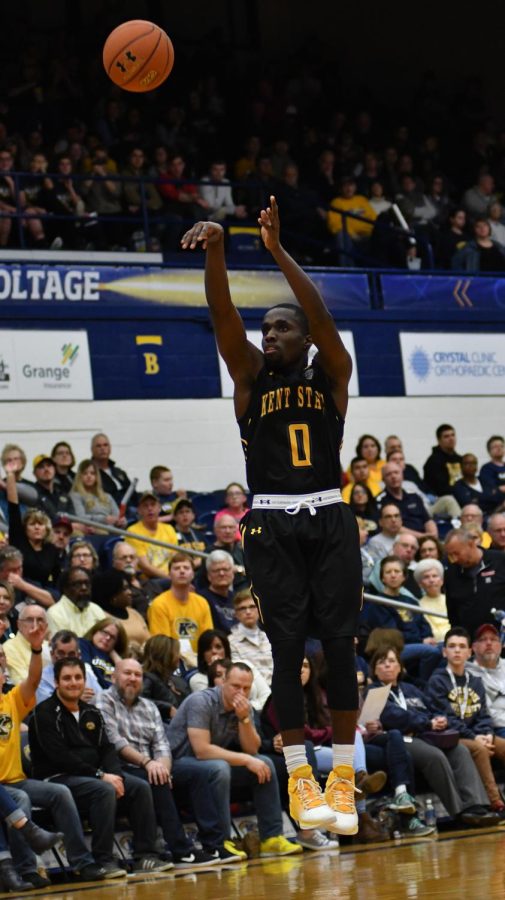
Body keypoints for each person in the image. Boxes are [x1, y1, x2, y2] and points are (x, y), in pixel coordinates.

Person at [181, 196, 363, 836]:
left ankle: (341, 777)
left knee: (339, 652)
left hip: (330, 519)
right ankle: (298, 776)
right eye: (269, 328)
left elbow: (320, 315)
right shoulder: (251, 380)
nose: (271, 333)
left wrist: (280, 252)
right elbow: (223, 314)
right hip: (272, 523)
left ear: (306, 336)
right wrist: (219, 250)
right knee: (286, 653)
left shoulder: (332, 374)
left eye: (283, 327)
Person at [29, 657, 173, 876]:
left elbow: (107, 749)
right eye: (66, 678)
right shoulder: (44, 713)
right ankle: (103, 859)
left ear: (85, 681)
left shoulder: (91, 712)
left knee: (139, 787)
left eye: (78, 677)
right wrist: (101, 775)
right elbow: (60, 757)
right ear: (57, 682)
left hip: (93, 776)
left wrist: (115, 775)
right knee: (103, 790)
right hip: (58, 778)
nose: (73, 682)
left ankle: (146, 856)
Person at [0, 613, 108, 886]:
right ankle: (27, 871)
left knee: (60, 793)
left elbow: (34, 681)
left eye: (1, 669)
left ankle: (82, 863)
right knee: (21, 802)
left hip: (17, 780)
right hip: (5, 789)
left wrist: (37, 649)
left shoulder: (11, 700)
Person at [168, 662, 303, 858]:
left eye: (246, 688)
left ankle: (272, 839)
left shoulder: (244, 707)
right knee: (221, 767)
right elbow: (202, 750)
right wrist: (246, 760)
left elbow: (251, 748)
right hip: (179, 762)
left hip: (210, 763)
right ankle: (223, 842)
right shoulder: (201, 702)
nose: (241, 692)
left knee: (264, 763)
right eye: (235, 686)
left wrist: (244, 719)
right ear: (223, 682)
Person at [96, 658, 220, 868]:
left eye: (138, 675)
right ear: (114, 677)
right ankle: (181, 850)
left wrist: (163, 767)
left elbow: (162, 744)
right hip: (122, 767)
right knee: (155, 780)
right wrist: (148, 763)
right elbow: (115, 742)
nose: (133, 679)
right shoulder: (103, 700)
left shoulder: (149, 706)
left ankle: (213, 844)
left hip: (153, 765)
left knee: (198, 773)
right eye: (127, 673)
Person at [368, 645, 499, 829]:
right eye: (382, 662)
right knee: (434, 756)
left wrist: (438, 719)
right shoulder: (373, 691)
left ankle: (477, 805)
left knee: (460, 749)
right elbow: (393, 716)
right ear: (375, 669)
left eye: (392, 661)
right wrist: (427, 723)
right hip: (397, 739)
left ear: (400, 667)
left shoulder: (411, 689)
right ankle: (459, 812)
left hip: (426, 734)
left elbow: (432, 708)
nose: (388, 665)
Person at [426, 627, 505, 814]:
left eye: (462, 646)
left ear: (469, 652)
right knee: (479, 749)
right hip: (453, 736)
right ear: (444, 651)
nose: (457, 650)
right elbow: (447, 718)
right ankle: (495, 801)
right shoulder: (437, 681)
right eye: (452, 646)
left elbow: (484, 714)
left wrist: (485, 733)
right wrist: (474, 737)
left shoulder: (475, 681)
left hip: (477, 734)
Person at [147, 553, 213, 664]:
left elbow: (208, 639)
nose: (182, 571)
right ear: (169, 574)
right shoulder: (159, 604)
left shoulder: (202, 602)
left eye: (186, 568)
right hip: (171, 662)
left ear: (193, 574)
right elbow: (162, 646)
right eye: (176, 568)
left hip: (199, 661)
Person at [5, 466, 61, 589]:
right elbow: (13, 507)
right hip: (17, 591)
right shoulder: (19, 541)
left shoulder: (52, 550)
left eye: (40, 524)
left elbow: (57, 580)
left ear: (46, 529)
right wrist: (10, 475)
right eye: (32, 524)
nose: (37, 527)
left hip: (41, 593)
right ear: (25, 528)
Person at [189, 628, 270, 711]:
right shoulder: (197, 679)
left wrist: (248, 707)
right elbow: (216, 706)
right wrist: (214, 671)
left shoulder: (244, 665)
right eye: (208, 649)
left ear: (226, 650)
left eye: (218, 647)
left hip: (260, 714)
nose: (214, 651)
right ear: (202, 654)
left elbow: (267, 695)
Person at [444, 529, 505, 637]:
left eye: (456, 553)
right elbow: (453, 614)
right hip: (471, 640)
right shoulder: (451, 573)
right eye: (450, 555)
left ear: (471, 544)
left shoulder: (500, 561)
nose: (454, 559)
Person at [37, 628, 103, 704]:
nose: (66, 659)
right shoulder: (42, 679)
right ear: (52, 654)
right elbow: (46, 711)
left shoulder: (86, 674)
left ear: (78, 656)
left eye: (71, 654)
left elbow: (102, 699)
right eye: (61, 653)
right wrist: (74, 700)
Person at [375, 463, 437, 539]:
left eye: (396, 473)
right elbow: (393, 527)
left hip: (424, 539)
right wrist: (423, 537)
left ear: (402, 475)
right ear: (383, 480)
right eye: (389, 474)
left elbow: (427, 520)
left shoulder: (414, 496)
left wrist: (433, 535)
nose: (393, 476)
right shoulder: (381, 500)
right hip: (400, 540)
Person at [126, 491, 178, 580]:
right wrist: (171, 579)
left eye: (153, 505)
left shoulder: (169, 529)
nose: (150, 508)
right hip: (150, 580)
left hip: (171, 576)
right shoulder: (133, 532)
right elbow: (145, 567)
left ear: (159, 508)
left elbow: (176, 559)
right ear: (139, 510)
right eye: (145, 506)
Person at [91, 570, 150, 647]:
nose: (130, 592)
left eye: (129, 588)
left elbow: (149, 640)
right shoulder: (101, 616)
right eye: (125, 589)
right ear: (113, 594)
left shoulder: (134, 613)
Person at [228, 589, 274, 685]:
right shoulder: (230, 642)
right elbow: (240, 675)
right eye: (242, 608)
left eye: (252, 607)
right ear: (236, 614)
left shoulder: (269, 637)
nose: (248, 612)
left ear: (259, 609)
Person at [467, 624, 505, 738]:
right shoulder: (468, 675)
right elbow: (488, 714)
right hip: (498, 728)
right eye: (483, 640)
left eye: (493, 639)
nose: (489, 643)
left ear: (501, 645)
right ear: (474, 647)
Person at [141, 634, 190, 720]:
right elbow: (139, 701)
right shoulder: (147, 678)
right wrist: (166, 709)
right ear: (164, 655)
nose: (179, 656)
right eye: (176, 652)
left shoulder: (179, 681)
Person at [46, 567, 104, 638]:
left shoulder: (96, 610)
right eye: (78, 584)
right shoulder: (55, 613)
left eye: (87, 583)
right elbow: (61, 646)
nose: (84, 588)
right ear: (65, 589)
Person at [70, 460, 126, 530]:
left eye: (92, 473)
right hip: (93, 533)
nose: (89, 476)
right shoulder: (75, 495)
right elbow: (80, 518)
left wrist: (121, 522)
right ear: (80, 476)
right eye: (85, 473)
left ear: (97, 477)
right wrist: (103, 519)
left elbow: (118, 516)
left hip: (113, 532)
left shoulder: (107, 496)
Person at [423, 425, 462, 512]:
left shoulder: (460, 459)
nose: (451, 438)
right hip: (442, 501)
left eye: (453, 435)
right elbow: (441, 489)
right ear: (439, 440)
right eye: (446, 436)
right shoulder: (433, 462)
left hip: (461, 496)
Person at [79, 617, 127, 688]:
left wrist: (114, 655)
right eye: (105, 633)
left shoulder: (115, 659)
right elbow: (86, 673)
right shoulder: (83, 644)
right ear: (95, 631)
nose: (107, 638)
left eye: (112, 637)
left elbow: (126, 678)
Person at [90, 434, 134, 507]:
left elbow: (132, 493)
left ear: (110, 448)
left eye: (105, 445)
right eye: (98, 446)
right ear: (92, 450)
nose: (102, 448)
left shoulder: (119, 472)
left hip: (130, 512)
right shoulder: (90, 474)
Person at [413, 559, 448, 642]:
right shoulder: (417, 605)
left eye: (435, 576)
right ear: (420, 584)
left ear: (442, 581)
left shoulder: (452, 600)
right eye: (426, 577)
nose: (431, 580)